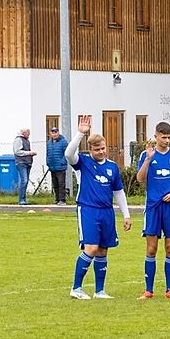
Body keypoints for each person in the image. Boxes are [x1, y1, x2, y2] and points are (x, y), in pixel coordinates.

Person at [66, 115, 131, 299]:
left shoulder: (112, 167)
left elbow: (119, 192)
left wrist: (125, 215)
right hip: (88, 209)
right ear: (90, 149)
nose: (101, 152)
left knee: (103, 249)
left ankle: (99, 291)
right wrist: (80, 133)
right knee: (91, 248)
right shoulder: (83, 163)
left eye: (103, 148)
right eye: (97, 149)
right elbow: (68, 154)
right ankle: (76, 288)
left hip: (107, 212)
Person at [136, 122, 170, 299]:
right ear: (156, 136)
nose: (166, 140)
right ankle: (148, 290)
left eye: (169, 137)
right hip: (153, 208)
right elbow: (140, 179)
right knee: (151, 249)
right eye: (163, 137)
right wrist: (147, 160)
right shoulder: (147, 154)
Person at [13, 128, 36, 205]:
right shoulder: (18, 140)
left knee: (25, 181)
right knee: (24, 181)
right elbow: (17, 151)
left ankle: (24, 199)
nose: (29, 135)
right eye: (28, 133)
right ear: (23, 133)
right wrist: (29, 153)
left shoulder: (26, 140)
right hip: (21, 162)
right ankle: (21, 199)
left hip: (27, 163)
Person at [46, 127, 68, 205]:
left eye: (55, 132)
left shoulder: (63, 142)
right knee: (55, 184)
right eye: (53, 132)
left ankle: (62, 200)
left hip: (60, 167)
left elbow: (66, 154)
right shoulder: (49, 143)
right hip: (52, 166)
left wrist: (62, 162)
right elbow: (48, 154)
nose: (54, 134)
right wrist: (48, 162)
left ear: (58, 133)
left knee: (61, 184)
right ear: (51, 134)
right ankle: (57, 199)